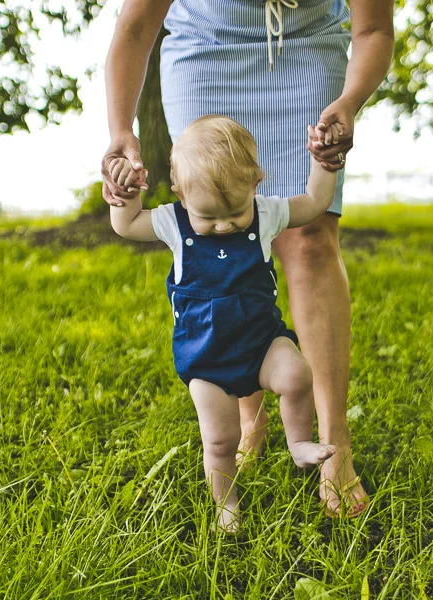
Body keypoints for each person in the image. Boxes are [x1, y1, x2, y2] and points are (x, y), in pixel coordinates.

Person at [102, 0, 395, 518]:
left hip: (305, 48)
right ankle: (249, 421)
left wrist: (342, 118)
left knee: (308, 239)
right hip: (206, 48)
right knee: (215, 201)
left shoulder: (268, 205)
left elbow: (373, 28)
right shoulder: (172, 219)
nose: (223, 225)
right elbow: (136, 25)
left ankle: (333, 445)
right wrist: (121, 141)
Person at [110, 115, 342, 532]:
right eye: (208, 217)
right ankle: (226, 504)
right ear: (181, 196)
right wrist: (124, 195)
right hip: (206, 356)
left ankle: (298, 442)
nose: (224, 225)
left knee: (296, 374)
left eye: (235, 212)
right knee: (220, 439)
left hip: (262, 343)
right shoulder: (173, 222)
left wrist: (324, 165)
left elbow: (313, 203)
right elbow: (126, 225)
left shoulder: (265, 213)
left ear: (255, 184)